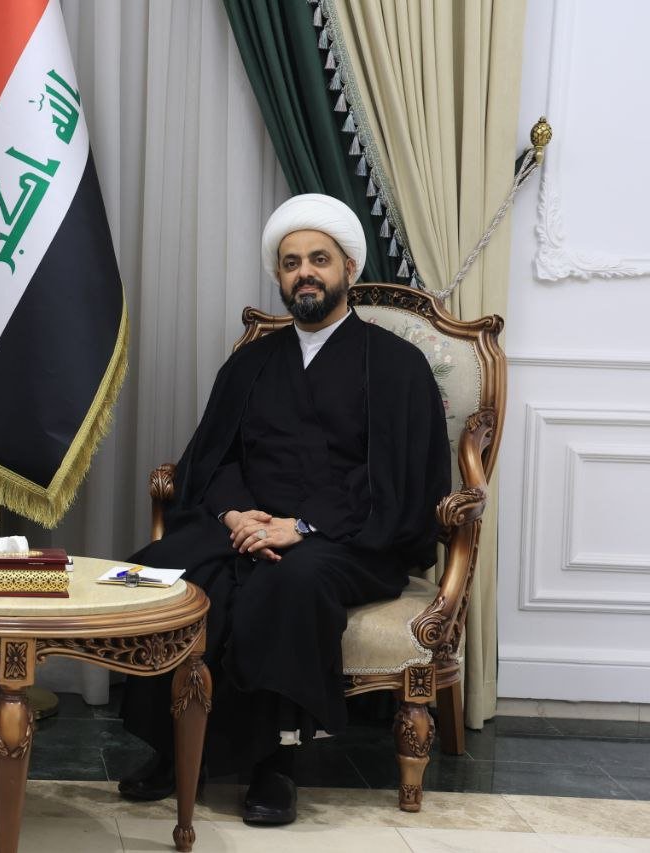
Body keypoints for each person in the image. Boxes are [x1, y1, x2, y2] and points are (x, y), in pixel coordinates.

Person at [117, 193, 450, 826]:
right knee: (163, 572)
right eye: (292, 263)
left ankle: (274, 762)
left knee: (287, 583)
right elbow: (213, 458)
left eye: (319, 260)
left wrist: (301, 526)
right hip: (247, 527)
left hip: (349, 538)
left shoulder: (396, 366)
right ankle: (173, 745)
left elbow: (394, 478)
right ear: (278, 274)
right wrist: (236, 515)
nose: (305, 274)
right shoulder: (251, 362)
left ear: (348, 268)